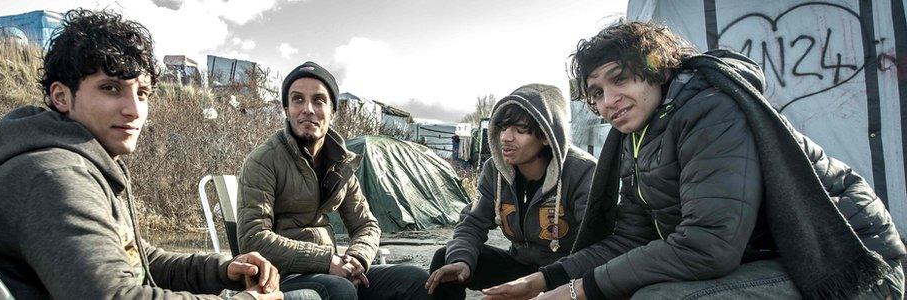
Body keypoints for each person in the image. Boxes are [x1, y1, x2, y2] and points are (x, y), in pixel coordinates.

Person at [493, 21, 906, 300]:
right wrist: (544, 279)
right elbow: (629, 238)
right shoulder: (638, 137)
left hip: (849, 263)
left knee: (655, 297)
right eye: (596, 93)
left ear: (655, 70)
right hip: (767, 257)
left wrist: (578, 291)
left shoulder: (710, 111)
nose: (608, 101)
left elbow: (709, 246)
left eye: (620, 79)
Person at [0, 9, 319, 299]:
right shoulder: (53, 177)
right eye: (111, 88)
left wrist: (223, 270)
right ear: (61, 96)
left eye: (143, 93)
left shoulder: (80, 163)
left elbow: (141, 261)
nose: (133, 110)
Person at [237, 61, 429, 300]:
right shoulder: (264, 160)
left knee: (418, 281)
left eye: (319, 100)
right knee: (340, 289)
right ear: (286, 109)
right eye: (298, 99)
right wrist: (327, 260)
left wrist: (357, 258)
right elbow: (253, 238)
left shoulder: (340, 163)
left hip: (333, 273)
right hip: (283, 278)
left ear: (332, 112)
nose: (308, 109)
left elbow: (366, 225)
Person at [425, 84, 597, 299]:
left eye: (519, 130)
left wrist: (546, 285)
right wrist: (461, 260)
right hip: (519, 266)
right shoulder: (494, 170)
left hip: (565, 275)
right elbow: (472, 223)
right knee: (446, 260)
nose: (506, 137)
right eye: (503, 128)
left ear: (546, 136)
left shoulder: (583, 172)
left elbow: (597, 247)